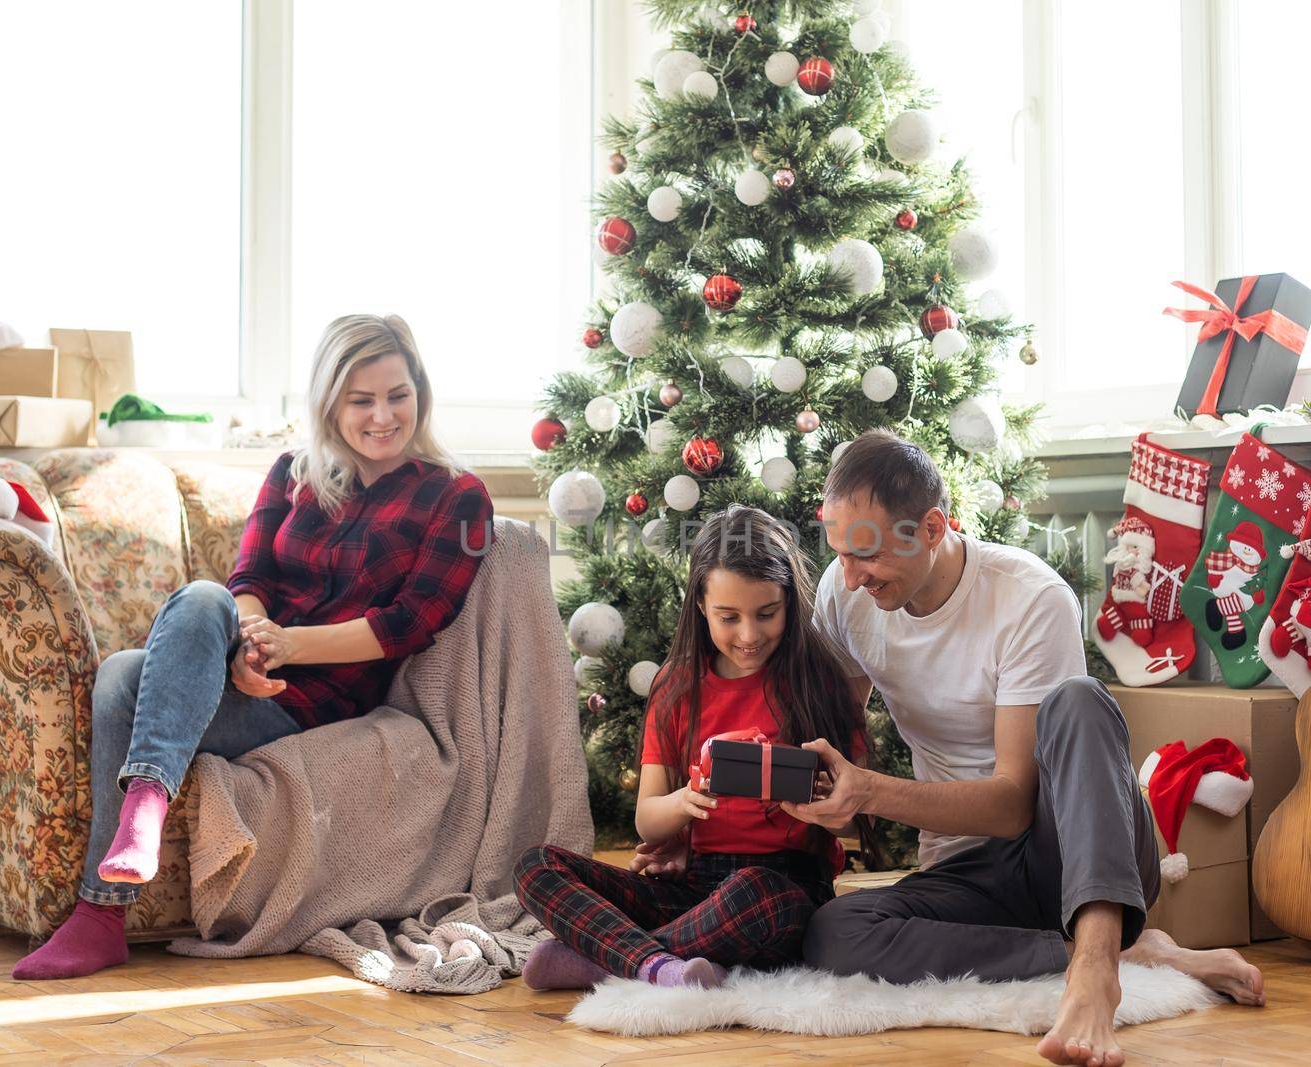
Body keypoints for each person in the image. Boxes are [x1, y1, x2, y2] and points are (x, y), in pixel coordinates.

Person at [13, 314, 493, 980]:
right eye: (361, 400)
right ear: (329, 403)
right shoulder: (294, 473)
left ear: (421, 393)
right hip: (249, 675)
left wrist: (288, 647)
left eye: (397, 395)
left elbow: (410, 621)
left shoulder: (456, 496)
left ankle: (102, 909)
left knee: (125, 677)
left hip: (316, 707)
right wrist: (252, 645)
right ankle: (145, 811)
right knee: (205, 598)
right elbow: (250, 581)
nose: (383, 415)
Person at [783, 430, 1264, 1067]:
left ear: (931, 528)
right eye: (840, 552)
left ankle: (1096, 970)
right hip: (967, 869)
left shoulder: (1028, 598)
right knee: (833, 932)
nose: (848, 575)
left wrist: (869, 792)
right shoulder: (849, 597)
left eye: (866, 553)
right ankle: (1123, 951)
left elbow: (1014, 804)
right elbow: (843, 738)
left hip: (1067, 848)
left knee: (1078, 700)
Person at [514, 506, 867, 990]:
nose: (748, 635)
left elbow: (851, 821)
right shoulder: (677, 685)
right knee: (536, 865)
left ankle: (607, 959)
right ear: (700, 606)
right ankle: (668, 965)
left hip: (783, 889)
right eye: (729, 617)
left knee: (755, 893)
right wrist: (686, 802)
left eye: (767, 614)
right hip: (694, 889)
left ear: (790, 601)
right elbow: (647, 820)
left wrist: (822, 800)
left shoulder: (819, 683)